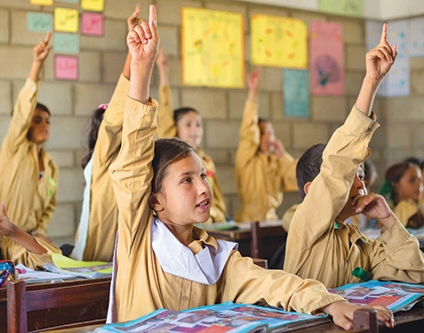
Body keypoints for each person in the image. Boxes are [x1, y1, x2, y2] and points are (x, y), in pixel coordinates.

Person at [108, 6, 395, 330]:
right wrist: (142, 70)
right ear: (155, 200)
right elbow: (133, 162)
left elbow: (271, 282)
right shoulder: (139, 238)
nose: (204, 187)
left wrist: (328, 301)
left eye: (203, 175)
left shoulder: (216, 259)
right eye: (186, 180)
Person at [283, 23, 424, 288]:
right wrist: (371, 82)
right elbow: (337, 164)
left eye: (361, 176)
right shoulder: (305, 225)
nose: (361, 184)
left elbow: (416, 272)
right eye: (353, 176)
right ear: (312, 189)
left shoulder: (361, 244)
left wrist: (388, 219)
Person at [70, 6, 140, 262]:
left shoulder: (133, 157)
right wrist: (133, 54)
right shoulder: (102, 157)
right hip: (98, 250)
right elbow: (117, 113)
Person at [0, 32, 58, 240]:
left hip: (28, 239)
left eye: (47, 120)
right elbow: (23, 111)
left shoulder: (50, 165)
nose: (44, 125)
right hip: (1, 237)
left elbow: (49, 207)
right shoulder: (15, 146)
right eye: (37, 120)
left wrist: (40, 232)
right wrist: (37, 65)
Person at [155, 48, 227, 223]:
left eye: (198, 125)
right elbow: (164, 112)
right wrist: (163, 72)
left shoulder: (206, 161)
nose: (194, 130)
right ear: (175, 128)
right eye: (188, 125)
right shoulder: (170, 161)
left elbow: (217, 198)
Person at [234, 67, 297, 222]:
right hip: (249, 221)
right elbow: (248, 131)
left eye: (271, 132)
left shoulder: (276, 162)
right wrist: (253, 93)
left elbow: (297, 180)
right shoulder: (247, 159)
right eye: (263, 132)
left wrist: (282, 156)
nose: (268, 136)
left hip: (272, 220)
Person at [380, 162, 424, 229]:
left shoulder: (419, 209)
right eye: (412, 180)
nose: (419, 185)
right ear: (395, 185)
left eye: (420, 180)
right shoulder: (402, 207)